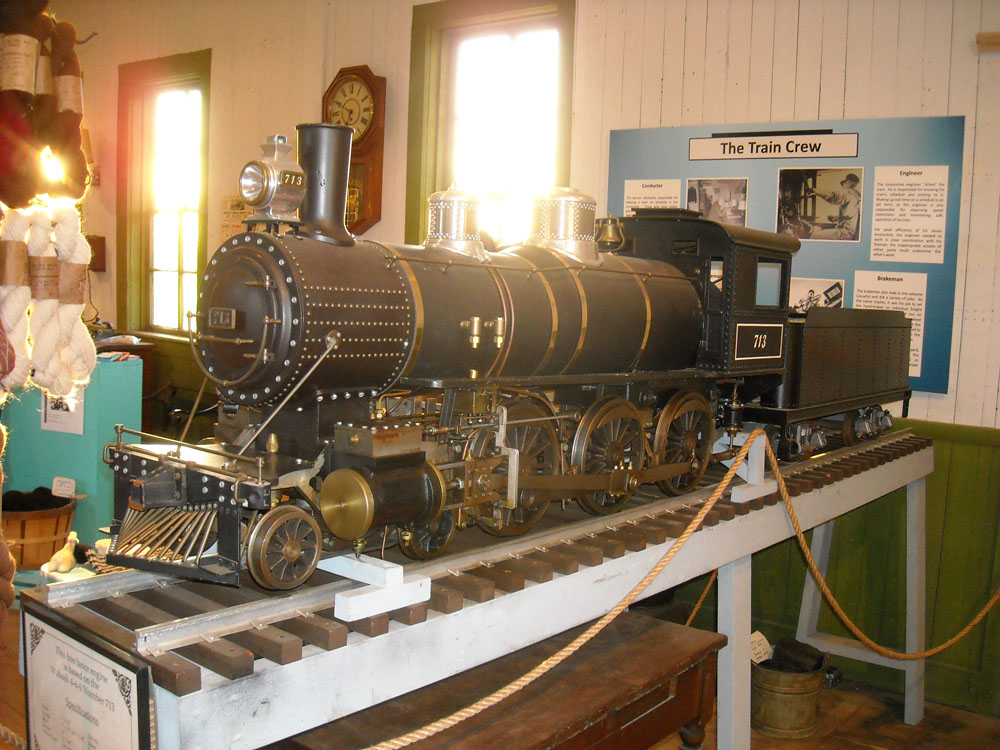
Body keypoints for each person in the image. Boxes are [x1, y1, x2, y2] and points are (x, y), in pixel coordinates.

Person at [808, 173, 861, 240]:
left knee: (815, 235)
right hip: (852, 233)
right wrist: (836, 218)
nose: (842, 187)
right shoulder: (857, 197)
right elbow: (850, 215)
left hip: (845, 233)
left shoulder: (848, 192)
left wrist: (815, 190)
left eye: (843, 184)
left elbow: (833, 196)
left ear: (848, 182)